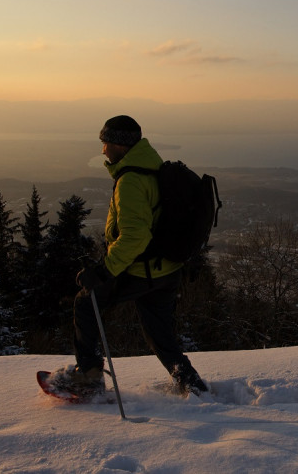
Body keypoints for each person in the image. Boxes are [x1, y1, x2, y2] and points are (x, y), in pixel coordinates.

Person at [50, 115, 208, 397]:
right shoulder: (152, 165)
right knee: (160, 335)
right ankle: (192, 385)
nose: (103, 150)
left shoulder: (131, 180)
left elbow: (136, 237)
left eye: (106, 143)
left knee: (87, 303)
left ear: (120, 146)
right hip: (167, 269)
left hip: (142, 270)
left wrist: (103, 271)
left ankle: (88, 375)